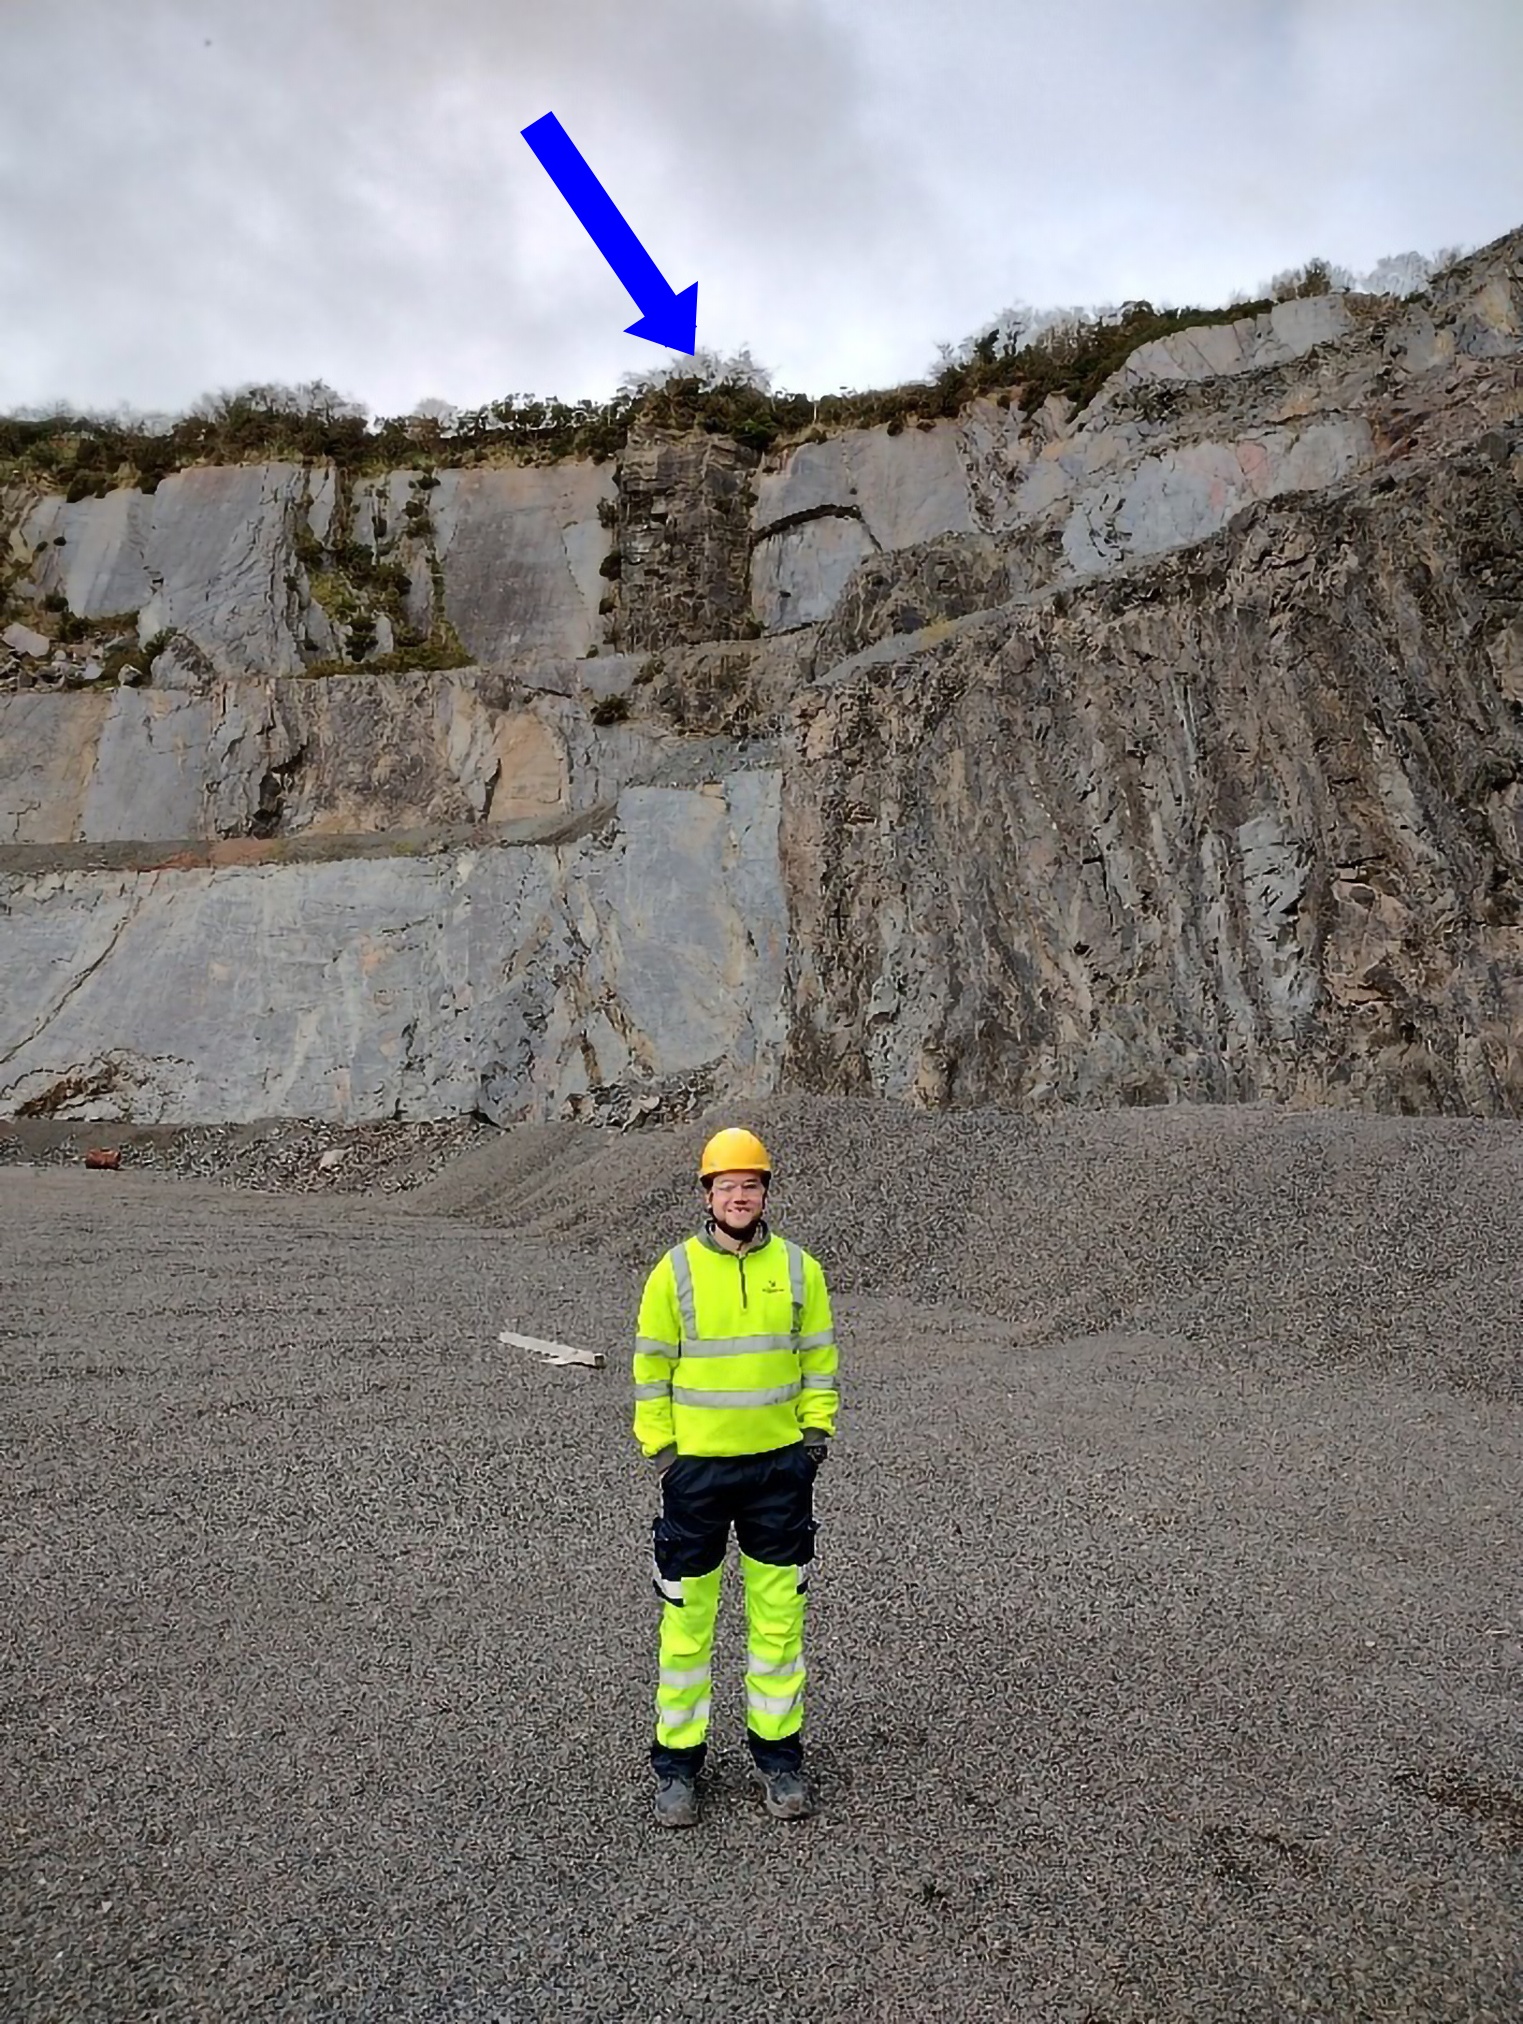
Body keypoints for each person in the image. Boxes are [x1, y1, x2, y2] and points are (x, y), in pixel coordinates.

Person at [632, 1127, 839, 1828]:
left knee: (777, 1623)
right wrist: (664, 1454)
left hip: (779, 1473)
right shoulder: (674, 1272)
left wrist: (813, 1439)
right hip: (695, 1478)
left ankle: (778, 1760)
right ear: (706, 1194)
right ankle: (677, 1768)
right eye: (727, 1185)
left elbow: (819, 1358)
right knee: (687, 1625)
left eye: (751, 1184)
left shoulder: (800, 1269)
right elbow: (649, 1368)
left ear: (765, 1192)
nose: (740, 1196)